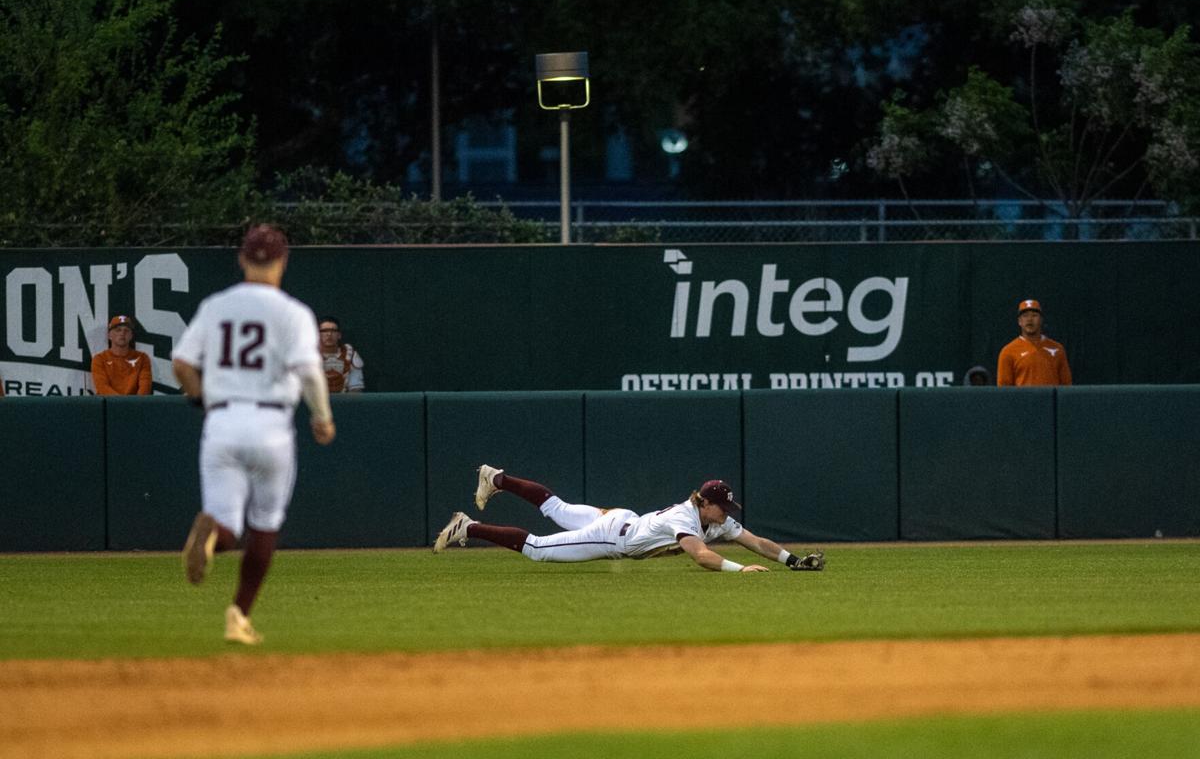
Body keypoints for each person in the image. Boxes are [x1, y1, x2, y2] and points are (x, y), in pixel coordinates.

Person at [172, 223, 336, 645]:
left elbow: (182, 364)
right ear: (282, 261)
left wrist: (204, 401)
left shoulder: (216, 305)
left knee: (226, 523)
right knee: (265, 525)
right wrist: (322, 417)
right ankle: (238, 615)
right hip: (271, 425)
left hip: (222, 421)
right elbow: (309, 372)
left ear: (243, 259)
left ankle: (211, 540)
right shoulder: (293, 312)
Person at [433, 465, 826, 573]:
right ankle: (467, 526)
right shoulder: (686, 519)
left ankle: (497, 478)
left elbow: (756, 541)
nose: (727, 514)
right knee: (538, 550)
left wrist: (792, 561)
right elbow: (702, 557)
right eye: (723, 507)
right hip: (613, 537)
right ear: (704, 502)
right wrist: (740, 571)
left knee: (557, 508)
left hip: (624, 519)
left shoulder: (714, 519)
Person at [996, 298, 1073, 387]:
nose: (1029, 319)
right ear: (1019, 321)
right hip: (1024, 400)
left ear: (1041, 320)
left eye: (1034, 315)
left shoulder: (1057, 349)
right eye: (1025, 315)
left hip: (1050, 400)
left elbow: (1066, 384)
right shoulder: (1008, 351)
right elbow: (1004, 389)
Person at [91, 315, 153, 395]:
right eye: (118, 330)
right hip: (109, 406)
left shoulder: (142, 358)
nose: (122, 333)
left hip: (135, 406)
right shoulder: (99, 359)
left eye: (126, 330)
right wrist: (122, 405)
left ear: (131, 335)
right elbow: (102, 387)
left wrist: (135, 405)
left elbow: (145, 388)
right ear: (109, 335)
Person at [318, 316, 365, 392]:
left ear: (339, 335)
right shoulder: (308, 356)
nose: (329, 334)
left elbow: (356, 390)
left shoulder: (349, 355)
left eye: (333, 331)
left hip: (344, 401)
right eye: (324, 331)